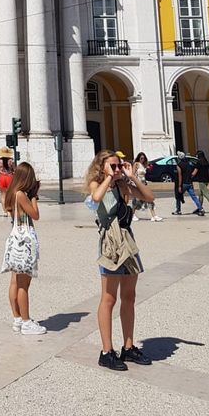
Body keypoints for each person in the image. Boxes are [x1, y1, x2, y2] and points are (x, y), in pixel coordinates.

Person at [85, 150, 154, 371]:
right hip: (111, 243)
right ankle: (106, 351)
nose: (117, 170)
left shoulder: (123, 186)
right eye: (112, 166)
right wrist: (108, 177)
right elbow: (96, 199)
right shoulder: (98, 184)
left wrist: (131, 176)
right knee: (108, 298)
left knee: (129, 296)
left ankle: (129, 346)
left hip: (128, 240)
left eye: (118, 166)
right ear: (101, 167)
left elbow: (148, 197)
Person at [1, 162, 46, 335]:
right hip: (24, 239)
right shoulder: (21, 195)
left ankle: (17, 319)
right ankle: (26, 322)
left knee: (14, 281)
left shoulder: (12, 193)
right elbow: (35, 215)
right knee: (23, 284)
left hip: (14, 237)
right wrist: (34, 196)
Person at [131, 153, 162, 221]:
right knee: (137, 200)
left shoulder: (143, 165)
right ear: (138, 158)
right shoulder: (136, 164)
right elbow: (133, 174)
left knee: (148, 199)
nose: (142, 159)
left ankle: (154, 215)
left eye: (143, 158)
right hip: (138, 184)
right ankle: (132, 214)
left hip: (143, 184)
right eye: (141, 158)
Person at [173, 152, 204, 216]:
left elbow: (180, 176)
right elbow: (191, 174)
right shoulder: (188, 164)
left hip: (183, 184)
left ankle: (178, 210)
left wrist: (179, 186)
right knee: (194, 197)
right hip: (189, 183)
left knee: (178, 196)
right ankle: (201, 209)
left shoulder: (179, 165)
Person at [192, 150, 209, 215]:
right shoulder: (206, 162)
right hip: (206, 180)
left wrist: (190, 176)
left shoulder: (198, 163)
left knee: (205, 194)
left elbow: (194, 172)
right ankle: (199, 208)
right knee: (200, 194)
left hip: (201, 181)